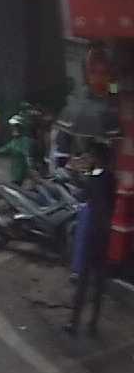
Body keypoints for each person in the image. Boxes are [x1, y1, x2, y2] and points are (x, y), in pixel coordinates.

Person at [68, 142, 116, 336]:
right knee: (98, 282)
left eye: (92, 155)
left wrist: (76, 174)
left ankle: (74, 323)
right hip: (104, 236)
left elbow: (83, 195)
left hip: (92, 234)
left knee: (84, 281)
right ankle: (92, 324)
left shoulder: (95, 178)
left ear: (97, 158)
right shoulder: (111, 178)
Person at [0, 117, 35, 186]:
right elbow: (4, 149)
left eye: (16, 127)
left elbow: (28, 156)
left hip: (25, 174)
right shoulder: (14, 141)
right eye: (13, 127)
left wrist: (31, 169)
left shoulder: (25, 141)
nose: (14, 129)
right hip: (16, 174)